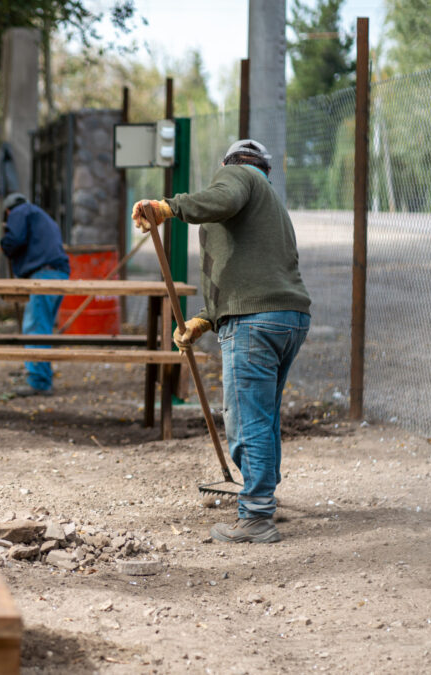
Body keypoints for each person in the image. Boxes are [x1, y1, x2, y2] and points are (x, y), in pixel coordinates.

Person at [132, 138, 311, 544]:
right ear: (267, 169)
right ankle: (262, 500)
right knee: (261, 416)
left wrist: (168, 207)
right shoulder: (271, 206)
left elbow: (222, 198)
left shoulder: (235, 178)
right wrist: (204, 320)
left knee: (247, 419)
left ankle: (257, 517)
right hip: (289, 318)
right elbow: (249, 270)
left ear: (230, 165)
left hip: (255, 322)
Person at [0, 192, 71, 397]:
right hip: (59, 274)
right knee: (43, 327)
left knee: (35, 328)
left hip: (44, 275)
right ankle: (40, 374)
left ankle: (39, 382)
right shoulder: (42, 215)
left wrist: (4, 244)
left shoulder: (19, 212)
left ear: (8, 210)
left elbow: (14, 239)